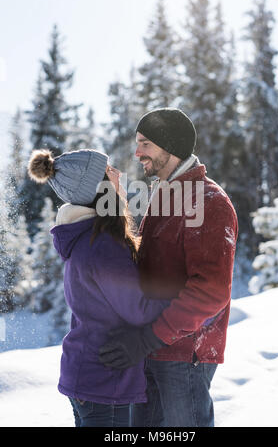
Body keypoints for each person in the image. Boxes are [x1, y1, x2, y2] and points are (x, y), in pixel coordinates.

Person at [99, 108, 238, 427]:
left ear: (169, 145)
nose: (137, 152)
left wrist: (149, 337)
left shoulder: (208, 201)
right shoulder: (164, 199)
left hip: (184, 355)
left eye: (145, 143)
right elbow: (146, 266)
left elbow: (211, 291)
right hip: (151, 351)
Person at [27, 148, 169, 428]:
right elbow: (140, 310)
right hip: (104, 382)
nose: (118, 174)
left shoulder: (90, 239)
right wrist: (182, 294)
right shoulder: (103, 246)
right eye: (109, 171)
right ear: (100, 190)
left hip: (90, 375)